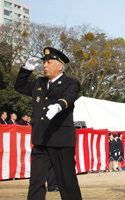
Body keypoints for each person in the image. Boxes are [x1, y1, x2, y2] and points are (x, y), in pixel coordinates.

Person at [14, 47, 82, 200]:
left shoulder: (71, 83)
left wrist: (59, 105)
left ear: (60, 65)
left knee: (67, 182)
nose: (45, 65)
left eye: (49, 62)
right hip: (41, 140)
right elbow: (19, 87)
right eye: (43, 62)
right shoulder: (39, 82)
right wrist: (26, 70)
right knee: (36, 182)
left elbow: (69, 97)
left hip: (61, 141)